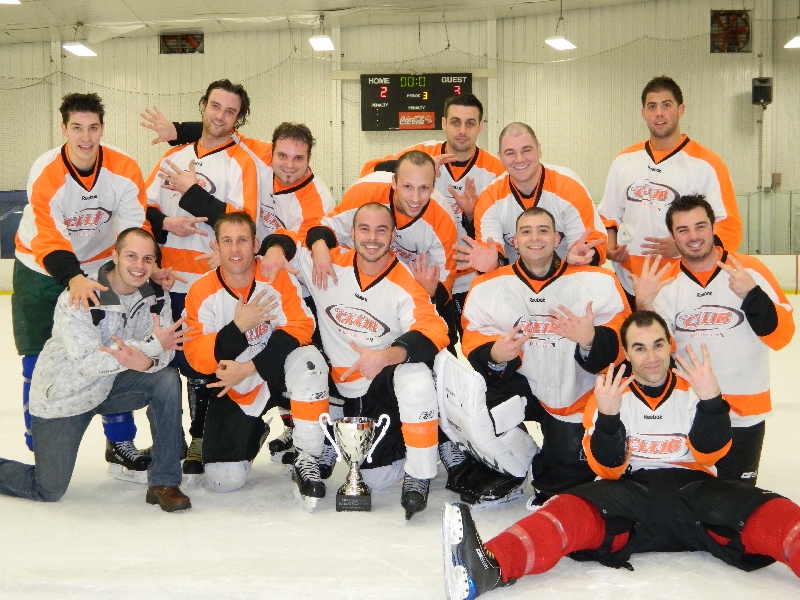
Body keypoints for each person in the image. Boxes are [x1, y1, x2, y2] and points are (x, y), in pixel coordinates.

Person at [442, 311, 800, 600]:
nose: (652, 357)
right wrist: (609, 419)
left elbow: (710, 454)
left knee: (776, 510)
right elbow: (609, 469)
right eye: (640, 348)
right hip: (630, 495)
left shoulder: (696, 387)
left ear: (670, 345)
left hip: (698, 493)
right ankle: (491, 566)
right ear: (627, 354)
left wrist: (711, 403)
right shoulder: (608, 395)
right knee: (564, 508)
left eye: (658, 345)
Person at [140, 114, 334, 462]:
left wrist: (269, 250)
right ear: (271, 152)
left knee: (298, 360)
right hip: (250, 274)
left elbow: (297, 239)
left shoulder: (317, 197)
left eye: (299, 158)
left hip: (295, 286)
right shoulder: (258, 157)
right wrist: (178, 132)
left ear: (309, 159)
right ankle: (241, 426)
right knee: (234, 347)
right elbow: (223, 130)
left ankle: (305, 433)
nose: (289, 165)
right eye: (282, 156)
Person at [262, 203, 450, 519]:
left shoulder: (403, 282)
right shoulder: (329, 264)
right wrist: (278, 250)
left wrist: (385, 356)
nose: (372, 238)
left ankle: (423, 465)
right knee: (375, 478)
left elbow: (434, 330)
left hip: (381, 389)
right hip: (343, 390)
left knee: (416, 374)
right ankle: (320, 449)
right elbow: (288, 237)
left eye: (381, 230)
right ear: (351, 233)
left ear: (393, 235)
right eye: (364, 229)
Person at [13, 92, 161, 480]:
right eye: (77, 128)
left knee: (114, 348)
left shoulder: (123, 167)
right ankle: (39, 444)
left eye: (93, 128)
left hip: (97, 266)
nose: (85, 137)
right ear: (64, 129)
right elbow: (49, 237)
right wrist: (73, 277)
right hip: (39, 268)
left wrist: (144, 266)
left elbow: (135, 228)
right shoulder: (46, 172)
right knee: (36, 357)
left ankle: (120, 442)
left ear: (102, 128)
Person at [0, 228, 190, 512]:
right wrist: (148, 349)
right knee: (48, 488)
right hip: (65, 397)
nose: (139, 266)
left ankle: (164, 482)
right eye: (131, 256)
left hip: (112, 388)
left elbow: (167, 349)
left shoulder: (157, 297)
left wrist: (149, 362)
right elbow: (89, 362)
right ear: (115, 256)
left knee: (166, 380)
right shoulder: (80, 296)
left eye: (147, 259)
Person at [452, 207, 629, 505]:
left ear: (557, 239)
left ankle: (553, 456)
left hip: (574, 393)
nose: (535, 237)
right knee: (475, 406)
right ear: (514, 241)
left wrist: (591, 340)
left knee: (566, 483)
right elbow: (474, 337)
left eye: (543, 230)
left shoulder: (597, 281)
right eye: (526, 231)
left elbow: (622, 339)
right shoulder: (487, 285)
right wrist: (496, 353)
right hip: (518, 384)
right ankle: (511, 465)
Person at [633, 194, 794, 484]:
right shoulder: (665, 282)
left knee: (737, 498)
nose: (693, 236)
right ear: (673, 236)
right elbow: (655, 355)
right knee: (688, 496)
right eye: (683, 230)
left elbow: (782, 337)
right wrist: (644, 304)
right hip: (688, 410)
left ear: (713, 227)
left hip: (745, 411)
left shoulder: (750, 270)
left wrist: (752, 295)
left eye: (700, 226)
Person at [143, 79, 260, 476]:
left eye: (230, 111)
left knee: (204, 363)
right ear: (203, 106)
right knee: (163, 362)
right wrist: (166, 222)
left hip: (210, 286)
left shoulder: (242, 163)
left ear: (238, 119)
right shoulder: (172, 156)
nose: (220, 116)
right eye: (215, 106)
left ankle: (200, 437)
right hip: (167, 283)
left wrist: (192, 191)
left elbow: (240, 221)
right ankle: (169, 438)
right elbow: (142, 212)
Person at [182, 212, 325, 503]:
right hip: (236, 385)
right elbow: (196, 356)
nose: (235, 249)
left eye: (243, 240)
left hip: (275, 375)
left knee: (310, 361)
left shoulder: (276, 277)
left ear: (256, 244)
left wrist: (250, 367)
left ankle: (308, 456)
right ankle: (254, 432)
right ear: (216, 246)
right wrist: (237, 328)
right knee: (223, 480)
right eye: (227, 241)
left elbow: (302, 327)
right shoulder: (201, 290)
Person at [360, 93, 505, 336]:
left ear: (481, 126)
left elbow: (496, 233)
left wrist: (471, 215)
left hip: (468, 276)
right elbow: (369, 170)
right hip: (418, 274)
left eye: (470, 123)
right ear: (444, 123)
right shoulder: (422, 153)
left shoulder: (495, 172)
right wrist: (422, 167)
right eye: (455, 122)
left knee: (475, 343)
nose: (462, 130)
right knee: (422, 339)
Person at [598, 75, 743, 307]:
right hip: (629, 280)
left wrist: (683, 244)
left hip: (683, 283)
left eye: (666, 105)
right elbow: (608, 216)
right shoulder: (624, 160)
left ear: (680, 109)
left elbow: (730, 228)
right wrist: (609, 245)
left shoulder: (707, 164)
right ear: (643, 113)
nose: (659, 113)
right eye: (652, 106)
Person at [459, 122, 607, 278]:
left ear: (539, 149)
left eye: (526, 150)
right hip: (514, 283)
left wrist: (585, 256)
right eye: (510, 153)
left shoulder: (569, 186)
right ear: (500, 157)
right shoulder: (490, 198)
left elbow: (591, 242)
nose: (519, 159)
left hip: (569, 277)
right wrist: (493, 264)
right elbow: (492, 255)